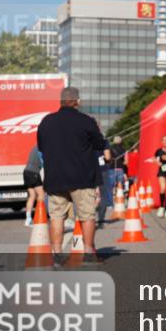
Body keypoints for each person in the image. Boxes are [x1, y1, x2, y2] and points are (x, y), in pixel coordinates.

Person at [36, 86, 106, 259]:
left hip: (55, 178)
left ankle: (57, 254)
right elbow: (100, 144)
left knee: (56, 216)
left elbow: (41, 147)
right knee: (87, 215)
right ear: (77, 101)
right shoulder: (86, 121)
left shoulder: (46, 121)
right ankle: (89, 251)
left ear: (60, 101)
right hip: (82, 177)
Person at [23, 145, 45, 226]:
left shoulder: (34, 147)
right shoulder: (43, 148)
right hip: (34, 172)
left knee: (32, 196)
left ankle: (28, 219)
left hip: (26, 171)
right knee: (41, 195)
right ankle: (39, 217)